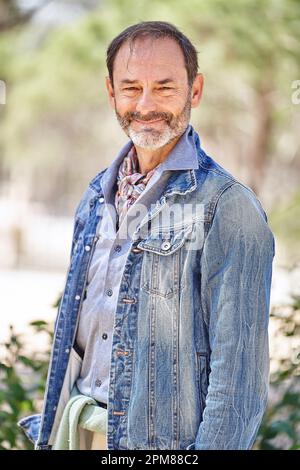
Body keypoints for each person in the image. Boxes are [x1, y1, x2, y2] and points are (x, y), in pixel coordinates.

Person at [18, 20, 275, 450]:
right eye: (131, 87)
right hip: (77, 434)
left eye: (165, 88)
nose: (146, 104)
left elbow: (239, 384)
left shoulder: (226, 207)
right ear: (111, 92)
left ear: (195, 91)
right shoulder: (95, 197)